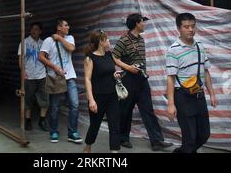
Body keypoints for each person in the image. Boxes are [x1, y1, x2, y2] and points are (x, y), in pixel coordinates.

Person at [112, 13, 173, 151]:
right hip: (129, 79)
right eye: (142, 22)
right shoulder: (124, 40)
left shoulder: (141, 39)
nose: (144, 24)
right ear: (136, 24)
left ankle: (157, 141)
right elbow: (114, 57)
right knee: (126, 110)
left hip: (142, 79)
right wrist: (128, 68)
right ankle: (122, 138)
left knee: (148, 110)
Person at [166, 13, 217, 153]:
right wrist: (170, 104)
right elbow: (170, 78)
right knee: (190, 139)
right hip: (183, 97)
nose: (190, 30)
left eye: (193, 26)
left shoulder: (199, 45)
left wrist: (212, 94)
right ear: (179, 28)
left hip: (199, 95)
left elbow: (205, 71)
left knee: (204, 134)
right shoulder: (173, 50)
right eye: (186, 27)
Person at [39, 18, 83, 144]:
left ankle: (72, 132)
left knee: (74, 104)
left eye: (68, 25)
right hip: (55, 77)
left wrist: (59, 39)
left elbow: (71, 48)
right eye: (65, 25)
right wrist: (54, 67)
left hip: (69, 77)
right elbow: (41, 57)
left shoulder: (69, 38)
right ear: (59, 27)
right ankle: (53, 131)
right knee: (54, 106)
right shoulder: (48, 40)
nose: (68, 27)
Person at [83, 30, 121, 153]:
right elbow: (88, 80)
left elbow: (109, 72)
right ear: (101, 42)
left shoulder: (109, 55)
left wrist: (115, 75)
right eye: (107, 39)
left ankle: (115, 151)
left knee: (115, 124)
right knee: (95, 125)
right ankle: (88, 146)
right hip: (97, 97)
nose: (109, 41)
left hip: (112, 95)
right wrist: (91, 100)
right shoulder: (90, 58)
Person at [18, 22, 49, 131]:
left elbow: (47, 58)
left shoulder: (44, 43)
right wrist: (23, 71)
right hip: (29, 76)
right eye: (32, 29)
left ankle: (42, 120)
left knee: (44, 99)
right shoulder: (24, 42)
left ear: (40, 31)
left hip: (42, 76)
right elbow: (21, 58)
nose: (33, 31)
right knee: (28, 99)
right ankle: (28, 120)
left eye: (36, 29)